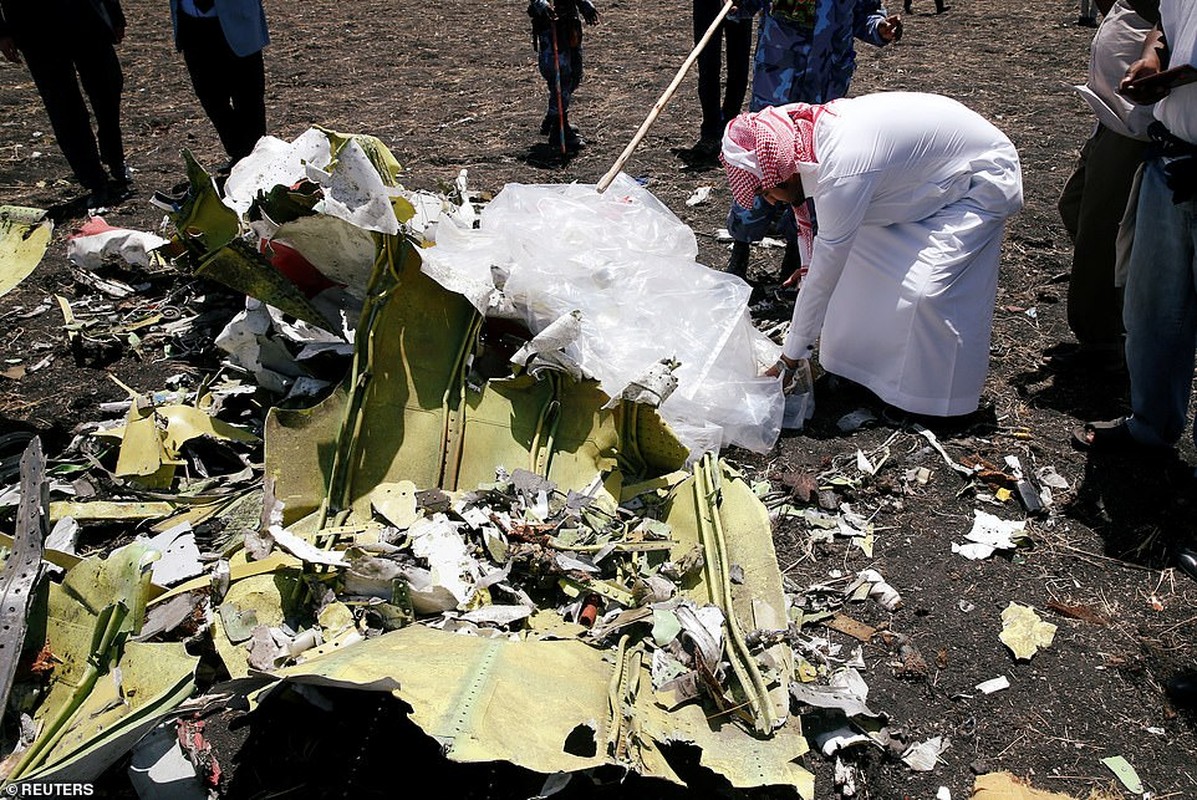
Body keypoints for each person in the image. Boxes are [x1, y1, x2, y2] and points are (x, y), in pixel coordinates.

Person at [720, 93, 1023, 417]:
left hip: (976, 178)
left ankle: (932, 404)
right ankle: (854, 374)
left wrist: (789, 359)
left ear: (786, 171)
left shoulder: (840, 170)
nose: (768, 200)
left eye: (766, 189)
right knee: (855, 272)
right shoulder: (802, 143)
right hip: (914, 181)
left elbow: (823, 273)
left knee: (924, 294)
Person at [1074, 0, 1197, 573]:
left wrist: (1180, 76)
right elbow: (1166, 29)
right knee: (1153, 307)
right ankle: (1150, 425)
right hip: (1172, 155)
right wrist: (1153, 58)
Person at [725, 0, 902, 280]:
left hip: (826, 80)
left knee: (811, 164)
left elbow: (865, 15)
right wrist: (736, 6)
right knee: (761, 157)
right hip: (779, 71)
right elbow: (745, 4)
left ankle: (796, 255)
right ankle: (741, 248)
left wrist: (880, 29)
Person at [1057, 0, 1154, 367]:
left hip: (1136, 123)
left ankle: (1103, 340)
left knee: (1101, 225)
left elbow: (1161, 15)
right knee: (1077, 206)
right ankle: (1113, 312)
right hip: (1114, 114)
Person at [0, 0, 129, 209]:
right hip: (33, 27)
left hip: (86, 16)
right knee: (63, 107)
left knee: (108, 86)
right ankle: (95, 181)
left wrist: (114, 13)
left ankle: (114, 157)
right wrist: (2, 33)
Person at [168, 0, 270, 167]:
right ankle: (240, 152)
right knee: (210, 96)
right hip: (191, 24)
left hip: (238, 21)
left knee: (248, 96)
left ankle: (256, 159)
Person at [528, 0, 599, 154]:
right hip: (550, 27)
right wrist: (542, 4)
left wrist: (584, 4)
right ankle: (557, 125)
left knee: (574, 75)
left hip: (569, 26)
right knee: (560, 75)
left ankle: (558, 119)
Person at [692, 0, 753, 161]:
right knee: (707, 64)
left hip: (741, 2)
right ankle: (710, 132)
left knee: (739, 64)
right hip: (707, 5)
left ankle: (730, 127)